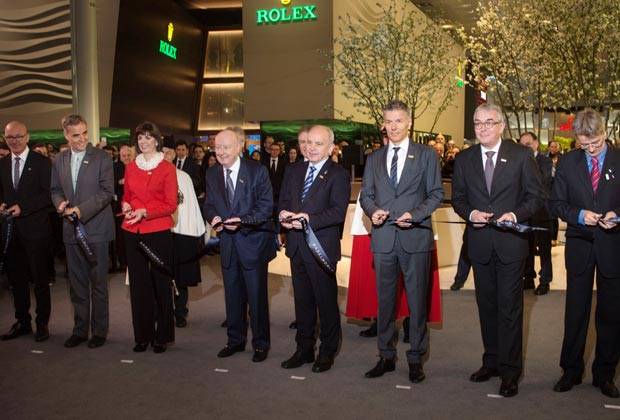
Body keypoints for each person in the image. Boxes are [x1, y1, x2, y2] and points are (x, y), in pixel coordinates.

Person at [451, 103, 543, 397]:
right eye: (478, 123)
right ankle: (490, 361)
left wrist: (515, 215)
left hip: (510, 246)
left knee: (510, 310)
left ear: (502, 125)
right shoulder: (464, 159)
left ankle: (510, 371)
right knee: (487, 307)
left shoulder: (521, 156)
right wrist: (471, 214)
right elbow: (459, 199)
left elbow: (536, 197)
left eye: (489, 123)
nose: (482, 128)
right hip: (480, 246)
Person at [360, 100, 443, 384]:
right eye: (388, 121)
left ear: (409, 123)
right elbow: (365, 196)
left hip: (415, 238)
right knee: (385, 303)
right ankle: (385, 356)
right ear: (383, 124)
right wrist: (374, 212)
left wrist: (414, 214)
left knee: (418, 303)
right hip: (383, 240)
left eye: (398, 121)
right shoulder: (373, 158)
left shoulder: (427, 155)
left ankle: (416, 359)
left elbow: (435, 194)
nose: (393, 126)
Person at [550, 109, 620, 398]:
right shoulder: (568, 163)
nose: (591, 150)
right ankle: (571, 369)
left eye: (596, 143)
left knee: (611, 313)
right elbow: (556, 203)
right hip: (579, 243)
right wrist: (579, 214)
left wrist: (617, 214)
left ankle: (604, 373)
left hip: (612, 244)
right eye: (585, 145)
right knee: (576, 310)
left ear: (604, 133)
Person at [279, 124, 351, 373]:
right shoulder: (294, 170)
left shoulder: (338, 175)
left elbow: (337, 212)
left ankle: (328, 351)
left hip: (321, 247)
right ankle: (304, 349)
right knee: (303, 303)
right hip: (297, 247)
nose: (311, 148)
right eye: (308, 142)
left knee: (326, 303)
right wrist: (284, 215)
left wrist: (307, 218)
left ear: (331, 148)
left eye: (318, 144)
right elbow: (284, 201)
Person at [204, 129, 276, 363]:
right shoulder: (212, 173)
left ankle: (261, 344)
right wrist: (213, 218)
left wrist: (243, 222)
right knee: (232, 296)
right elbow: (209, 204)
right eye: (218, 147)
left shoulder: (257, 171)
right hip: (227, 244)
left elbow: (266, 207)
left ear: (239, 147)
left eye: (226, 147)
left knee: (256, 298)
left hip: (252, 243)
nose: (221, 152)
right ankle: (234, 340)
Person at [50, 114, 115, 348]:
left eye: (84, 133)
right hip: (70, 231)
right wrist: (59, 204)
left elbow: (107, 192)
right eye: (76, 135)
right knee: (76, 284)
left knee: (98, 283)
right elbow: (55, 189)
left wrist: (80, 210)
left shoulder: (101, 158)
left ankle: (99, 331)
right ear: (66, 135)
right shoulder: (59, 159)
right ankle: (79, 330)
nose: (82, 139)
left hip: (96, 230)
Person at [121, 122, 178, 354]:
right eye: (140, 138)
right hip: (132, 231)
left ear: (157, 140)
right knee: (138, 285)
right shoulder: (131, 167)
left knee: (160, 284)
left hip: (157, 231)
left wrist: (147, 212)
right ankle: (142, 335)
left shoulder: (167, 168)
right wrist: (126, 205)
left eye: (148, 137)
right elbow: (126, 196)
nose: (143, 142)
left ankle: (162, 336)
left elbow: (171, 204)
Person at [0, 121, 53, 342]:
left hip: (36, 230)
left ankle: (42, 324)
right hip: (10, 232)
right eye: (10, 137)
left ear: (27, 137)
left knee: (40, 280)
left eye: (19, 136)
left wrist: (24, 208)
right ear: (5, 138)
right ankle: (23, 322)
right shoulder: (2, 164)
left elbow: (49, 194)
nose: (15, 141)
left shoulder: (42, 162)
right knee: (17, 281)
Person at [161, 138, 205, 329]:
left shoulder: (184, 177)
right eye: (162, 152)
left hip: (181, 232)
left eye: (169, 153)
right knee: (161, 275)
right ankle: (163, 311)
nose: (165, 156)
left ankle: (180, 312)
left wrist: (196, 232)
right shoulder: (151, 175)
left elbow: (191, 207)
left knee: (181, 276)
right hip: (159, 233)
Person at [519, 132, 553, 295]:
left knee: (544, 249)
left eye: (528, 144)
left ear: (536, 144)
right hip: (524, 212)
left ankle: (545, 281)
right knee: (527, 247)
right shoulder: (518, 160)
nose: (524, 147)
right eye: (521, 144)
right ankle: (528, 278)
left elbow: (542, 182)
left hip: (542, 212)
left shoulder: (545, 161)